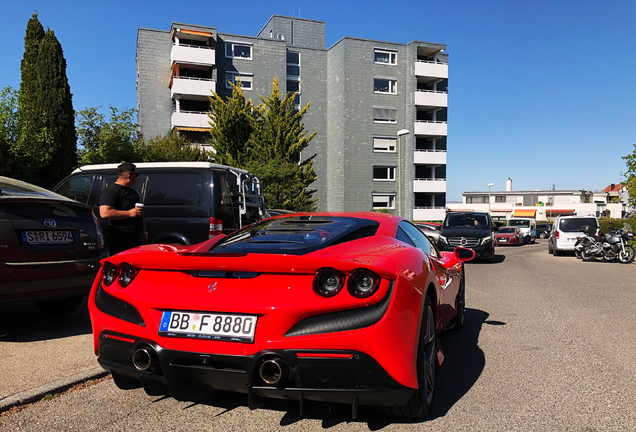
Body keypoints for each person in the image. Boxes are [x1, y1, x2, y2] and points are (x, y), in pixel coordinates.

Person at [99, 162, 147, 255]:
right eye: (136, 174)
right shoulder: (111, 191)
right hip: (120, 239)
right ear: (129, 176)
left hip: (135, 238)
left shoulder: (132, 192)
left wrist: (144, 232)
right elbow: (105, 213)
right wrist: (129, 213)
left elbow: (139, 214)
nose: (137, 177)